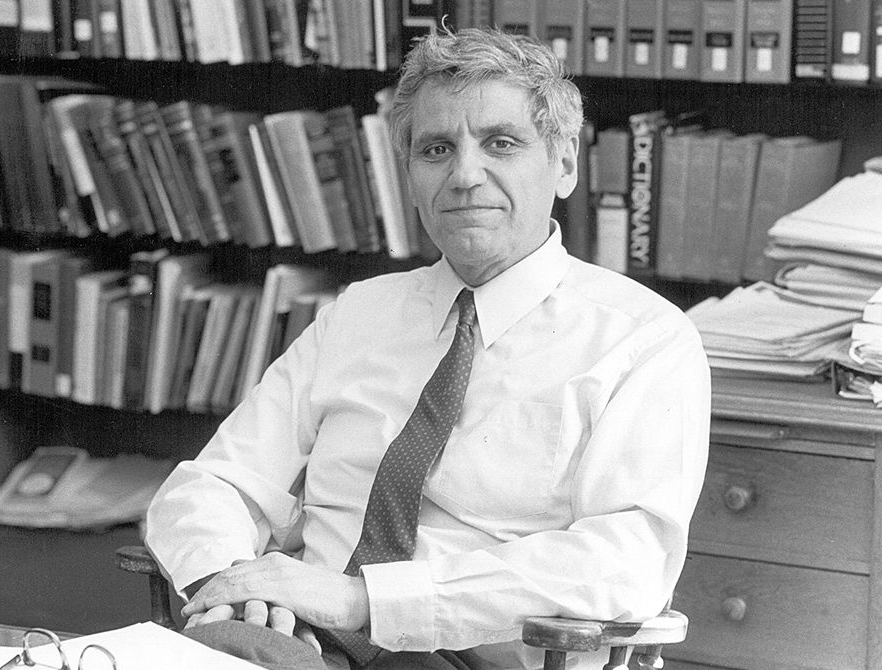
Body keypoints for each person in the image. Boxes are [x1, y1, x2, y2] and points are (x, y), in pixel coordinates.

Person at [145, 27, 711, 670]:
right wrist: (236, 589)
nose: (465, 175)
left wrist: (367, 601)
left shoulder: (643, 340)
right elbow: (211, 485)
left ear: (564, 164)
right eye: (436, 149)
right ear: (409, 174)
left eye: (501, 143)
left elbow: (624, 563)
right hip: (295, 647)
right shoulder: (359, 314)